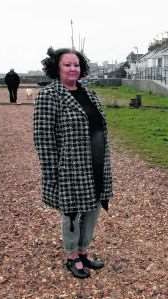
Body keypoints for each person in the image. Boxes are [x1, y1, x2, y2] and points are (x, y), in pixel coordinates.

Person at [33, 48, 113, 279]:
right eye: (67, 65)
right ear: (57, 68)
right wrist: (51, 171)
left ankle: (83, 251)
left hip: (97, 164)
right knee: (72, 212)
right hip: (70, 167)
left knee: (93, 208)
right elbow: (43, 137)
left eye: (76, 64)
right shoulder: (49, 95)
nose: (72, 69)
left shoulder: (90, 93)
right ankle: (71, 256)